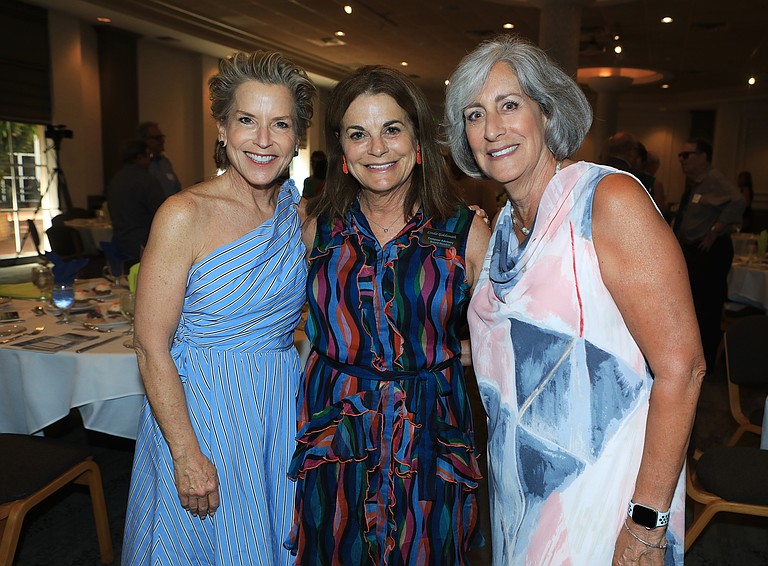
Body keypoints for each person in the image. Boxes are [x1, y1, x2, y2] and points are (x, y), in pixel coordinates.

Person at [445, 35, 703, 565]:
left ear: (547, 111)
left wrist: (647, 522)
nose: (491, 129)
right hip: (520, 490)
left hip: (604, 490)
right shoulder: (504, 227)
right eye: (474, 114)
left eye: (509, 105)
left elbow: (684, 367)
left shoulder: (607, 201)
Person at [284, 65, 490, 564]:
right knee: (336, 546)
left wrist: (446, 353)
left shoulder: (465, 234)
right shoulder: (315, 229)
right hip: (338, 432)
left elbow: (508, 339)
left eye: (391, 129)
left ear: (417, 141)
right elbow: (288, 325)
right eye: (359, 134)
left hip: (430, 432)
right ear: (343, 152)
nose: (376, 147)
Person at [122, 51, 316, 564]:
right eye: (247, 121)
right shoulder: (184, 213)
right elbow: (149, 344)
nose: (263, 140)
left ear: (297, 138)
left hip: (278, 411)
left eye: (281, 125)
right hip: (200, 413)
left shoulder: (297, 218)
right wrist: (185, 454)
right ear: (223, 129)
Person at [674, 138, 744, 372]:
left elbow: (738, 201)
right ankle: (695, 360)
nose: (682, 160)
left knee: (707, 308)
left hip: (709, 254)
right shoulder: (697, 183)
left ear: (704, 157)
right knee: (695, 306)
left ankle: (706, 365)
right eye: (680, 156)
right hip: (695, 252)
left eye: (687, 155)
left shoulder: (714, 179)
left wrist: (716, 230)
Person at [105, 139, 165, 263]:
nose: (150, 159)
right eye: (148, 155)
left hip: (120, 241)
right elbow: (162, 213)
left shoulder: (115, 180)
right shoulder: (148, 181)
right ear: (139, 157)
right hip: (144, 243)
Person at [138, 121, 182, 197]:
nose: (162, 141)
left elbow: (176, 187)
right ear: (145, 140)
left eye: (162, 137)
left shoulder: (164, 161)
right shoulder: (142, 165)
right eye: (157, 138)